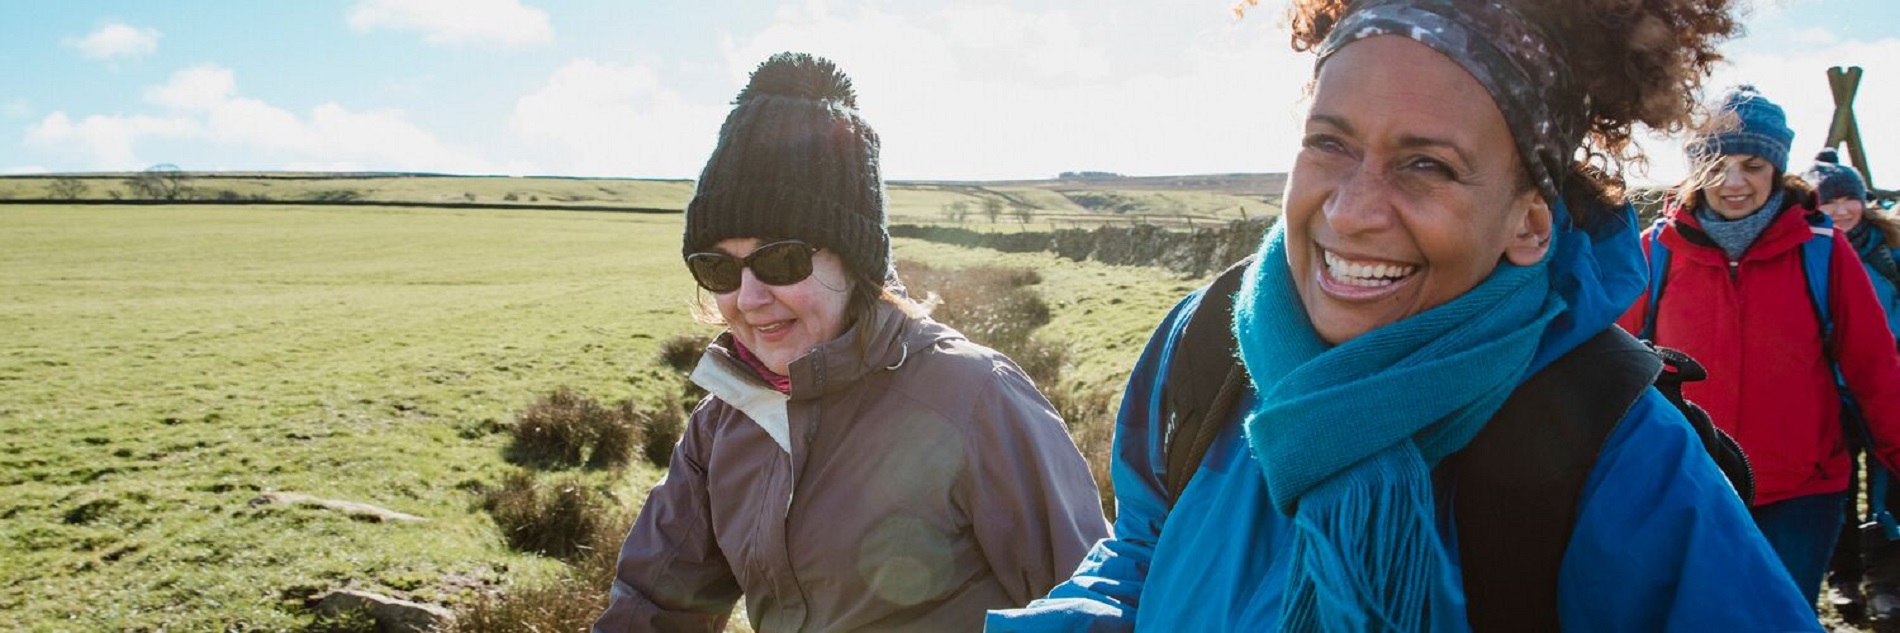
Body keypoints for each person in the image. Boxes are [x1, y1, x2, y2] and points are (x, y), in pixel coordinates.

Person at [987, 0, 1820, 630]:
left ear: (1530, 222)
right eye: (1330, 144)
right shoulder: (1205, 341)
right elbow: (1142, 552)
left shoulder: (1612, 448)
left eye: (1426, 164)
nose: (1350, 212)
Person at [593, 52, 1108, 632]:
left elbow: (1086, 610)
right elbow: (656, 606)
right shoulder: (722, 424)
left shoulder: (974, 397)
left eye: (780, 260)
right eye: (719, 270)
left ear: (856, 260)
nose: (749, 297)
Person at [1619, 86, 1900, 612]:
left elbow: (1873, 366)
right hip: (1689, 484)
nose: (1732, 182)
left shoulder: (1821, 250)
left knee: (1777, 619)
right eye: (1716, 164)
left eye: (1752, 165)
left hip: (1802, 490)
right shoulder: (1656, 251)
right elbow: (1610, 363)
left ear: (1776, 168)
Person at [1810, 152, 1900, 622]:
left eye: (1850, 199)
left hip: (1884, 386)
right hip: (1828, 391)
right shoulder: (1812, 253)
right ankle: (1843, 579)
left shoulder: (1889, 251)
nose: (1842, 211)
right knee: (1838, 489)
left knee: (1891, 487)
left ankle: (1887, 583)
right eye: (1830, 202)